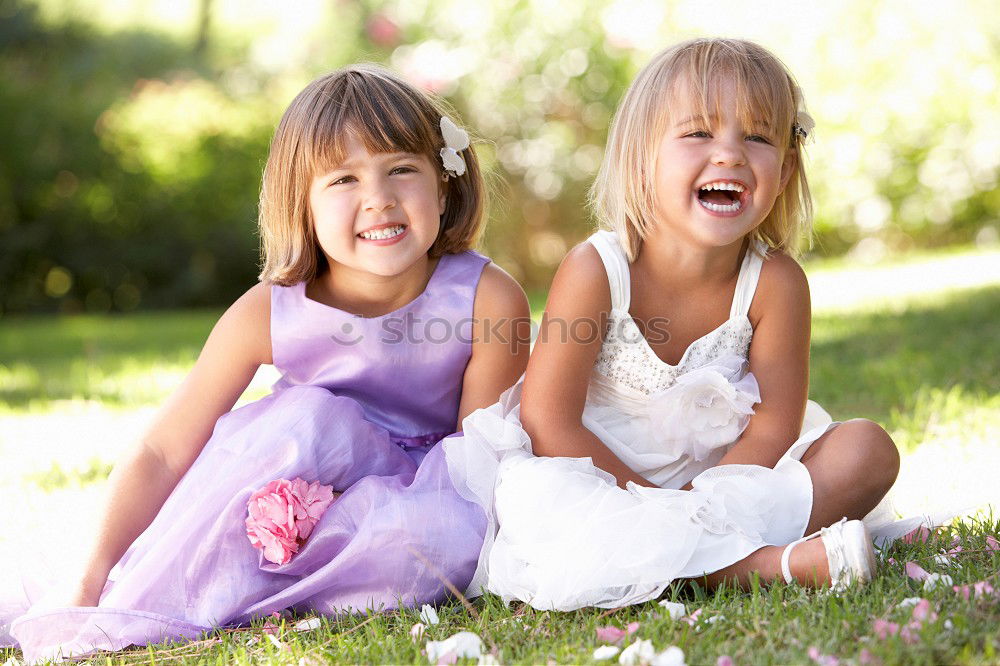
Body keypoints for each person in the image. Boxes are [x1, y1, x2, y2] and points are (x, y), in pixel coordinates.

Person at [2, 64, 530, 660]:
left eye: (402, 169)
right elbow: (163, 449)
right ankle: (194, 581)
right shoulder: (270, 311)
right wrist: (90, 572)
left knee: (444, 535)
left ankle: (292, 579)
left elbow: (479, 460)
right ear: (300, 203)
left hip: (413, 496)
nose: (378, 199)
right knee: (305, 421)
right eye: (343, 180)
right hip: (301, 481)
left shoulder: (485, 297)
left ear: (444, 185)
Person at [443, 38, 902, 611]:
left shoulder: (776, 283)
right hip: (599, 475)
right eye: (698, 133)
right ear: (642, 157)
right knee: (537, 497)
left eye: (758, 137)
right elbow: (548, 420)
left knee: (867, 449)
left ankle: (681, 559)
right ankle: (759, 567)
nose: (730, 155)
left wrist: (701, 504)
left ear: (784, 170)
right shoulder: (598, 270)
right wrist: (651, 504)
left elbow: (773, 426)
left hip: (727, 479)